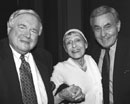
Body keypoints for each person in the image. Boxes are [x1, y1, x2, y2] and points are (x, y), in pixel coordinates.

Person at [0, 9, 54, 104]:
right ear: (9, 28)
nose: (27, 35)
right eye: (22, 27)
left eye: (33, 31)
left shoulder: (45, 57)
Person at [89, 5, 130, 104]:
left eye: (107, 27)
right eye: (97, 29)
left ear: (118, 26)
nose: (103, 34)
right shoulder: (89, 54)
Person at [51, 29, 103, 104]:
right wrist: (61, 96)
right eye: (69, 42)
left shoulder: (92, 60)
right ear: (65, 49)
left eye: (77, 40)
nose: (74, 45)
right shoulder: (60, 68)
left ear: (86, 44)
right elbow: (47, 99)